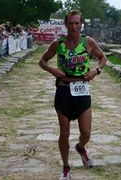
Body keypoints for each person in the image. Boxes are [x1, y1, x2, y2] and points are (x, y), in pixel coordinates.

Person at [39, 10, 107, 180]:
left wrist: (96, 71)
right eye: (71, 23)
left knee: (86, 132)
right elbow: (42, 61)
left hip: (82, 90)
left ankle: (81, 147)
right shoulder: (58, 43)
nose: (74, 26)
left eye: (77, 23)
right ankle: (66, 168)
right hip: (63, 90)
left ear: (81, 24)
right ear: (66, 24)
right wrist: (53, 70)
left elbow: (102, 58)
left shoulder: (88, 42)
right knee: (65, 132)